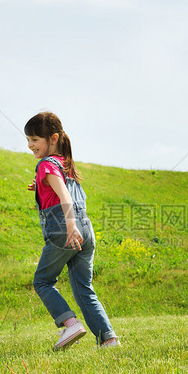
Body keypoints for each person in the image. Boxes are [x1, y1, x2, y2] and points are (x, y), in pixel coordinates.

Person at [25, 112, 120, 350]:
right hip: (86, 230)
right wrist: (39, 187)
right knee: (83, 288)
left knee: (43, 281)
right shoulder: (66, 165)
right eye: (28, 140)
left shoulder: (46, 164)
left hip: (65, 228)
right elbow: (64, 191)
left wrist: (70, 226)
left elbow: (64, 196)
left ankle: (70, 323)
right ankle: (108, 339)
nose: (30, 145)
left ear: (54, 138)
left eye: (35, 140)